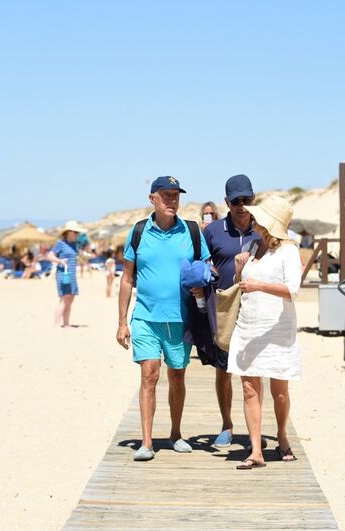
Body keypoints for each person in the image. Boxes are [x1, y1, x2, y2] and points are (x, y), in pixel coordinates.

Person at [116, 176, 210, 462]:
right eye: (166, 195)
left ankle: (176, 434)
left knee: (177, 375)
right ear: (152, 199)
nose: (172, 200)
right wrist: (122, 322)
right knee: (149, 374)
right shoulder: (139, 231)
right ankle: (146, 442)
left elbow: (206, 267)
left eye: (175, 195)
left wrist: (202, 281)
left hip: (181, 318)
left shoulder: (192, 231)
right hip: (145, 316)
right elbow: (127, 278)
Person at [226, 195, 302, 469]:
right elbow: (241, 284)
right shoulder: (251, 245)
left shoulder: (288, 251)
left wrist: (259, 285)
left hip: (277, 330)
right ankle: (256, 450)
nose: (252, 218)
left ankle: (281, 435)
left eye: (259, 216)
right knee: (249, 389)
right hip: (248, 326)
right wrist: (238, 270)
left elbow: (293, 290)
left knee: (279, 390)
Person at [201, 174, 260, 448]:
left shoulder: (263, 231)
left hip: (256, 310)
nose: (241, 205)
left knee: (253, 372)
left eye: (246, 199)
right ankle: (226, 425)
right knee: (223, 371)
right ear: (227, 202)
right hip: (224, 310)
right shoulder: (212, 232)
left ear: (254, 198)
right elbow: (200, 264)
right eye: (236, 201)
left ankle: (254, 433)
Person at [47, 220, 87, 327]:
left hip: (73, 275)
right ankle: (56, 324)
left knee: (71, 299)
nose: (77, 235)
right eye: (76, 232)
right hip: (63, 274)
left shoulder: (75, 245)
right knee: (64, 299)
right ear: (69, 232)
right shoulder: (60, 243)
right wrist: (60, 261)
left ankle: (66, 323)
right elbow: (50, 255)